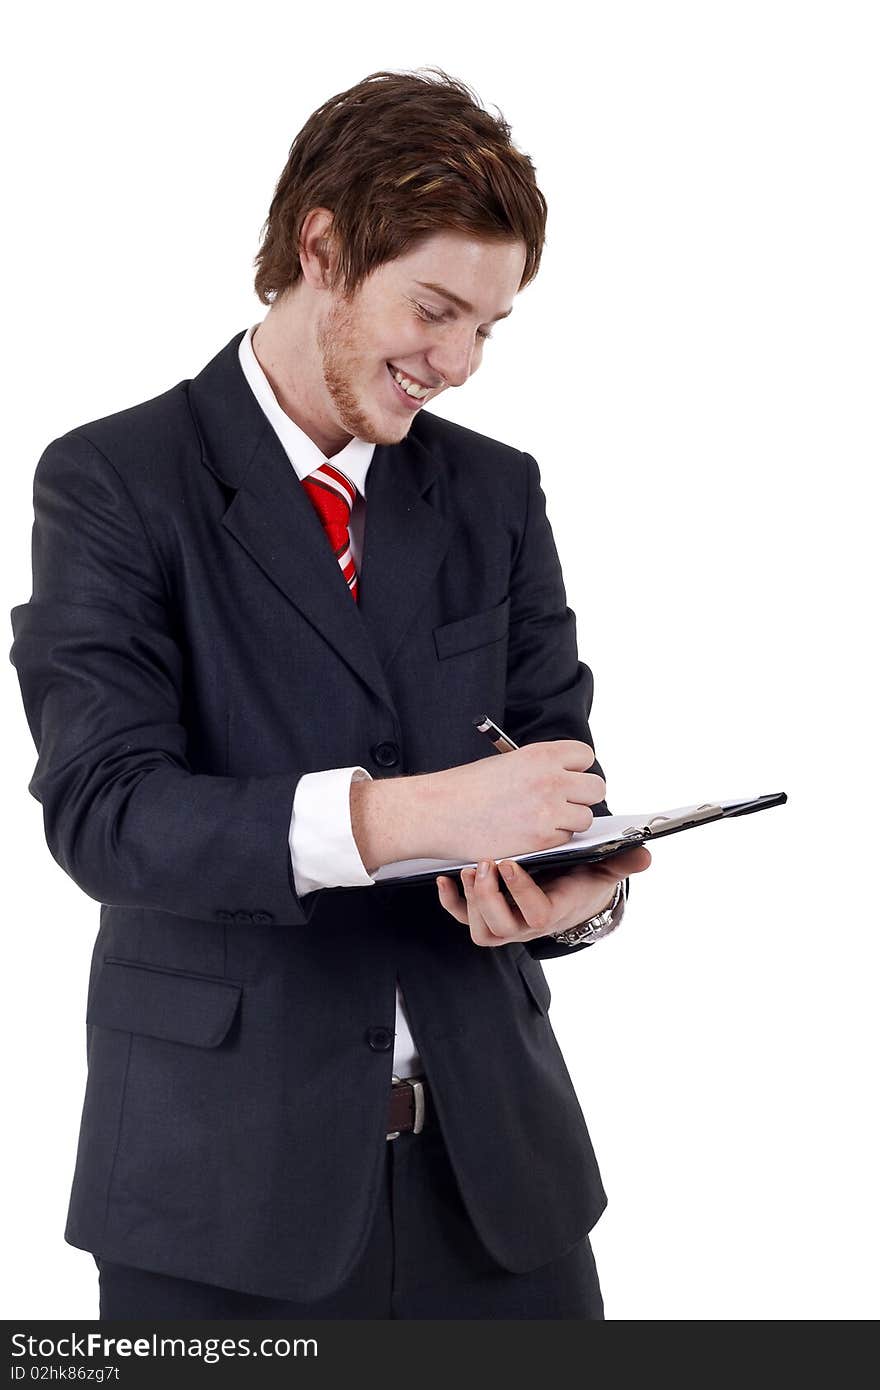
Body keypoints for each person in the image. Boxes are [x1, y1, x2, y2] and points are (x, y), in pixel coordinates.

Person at [9, 67, 651, 1320]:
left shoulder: (494, 493)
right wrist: (409, 819)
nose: (460, 361)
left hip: (501, 1196)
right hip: (218, 1202)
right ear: (320, 245)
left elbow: (553, 766)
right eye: (435, 308)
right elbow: (106, 814)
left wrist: (563, 900)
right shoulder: (112, 481)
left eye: (490, 327)